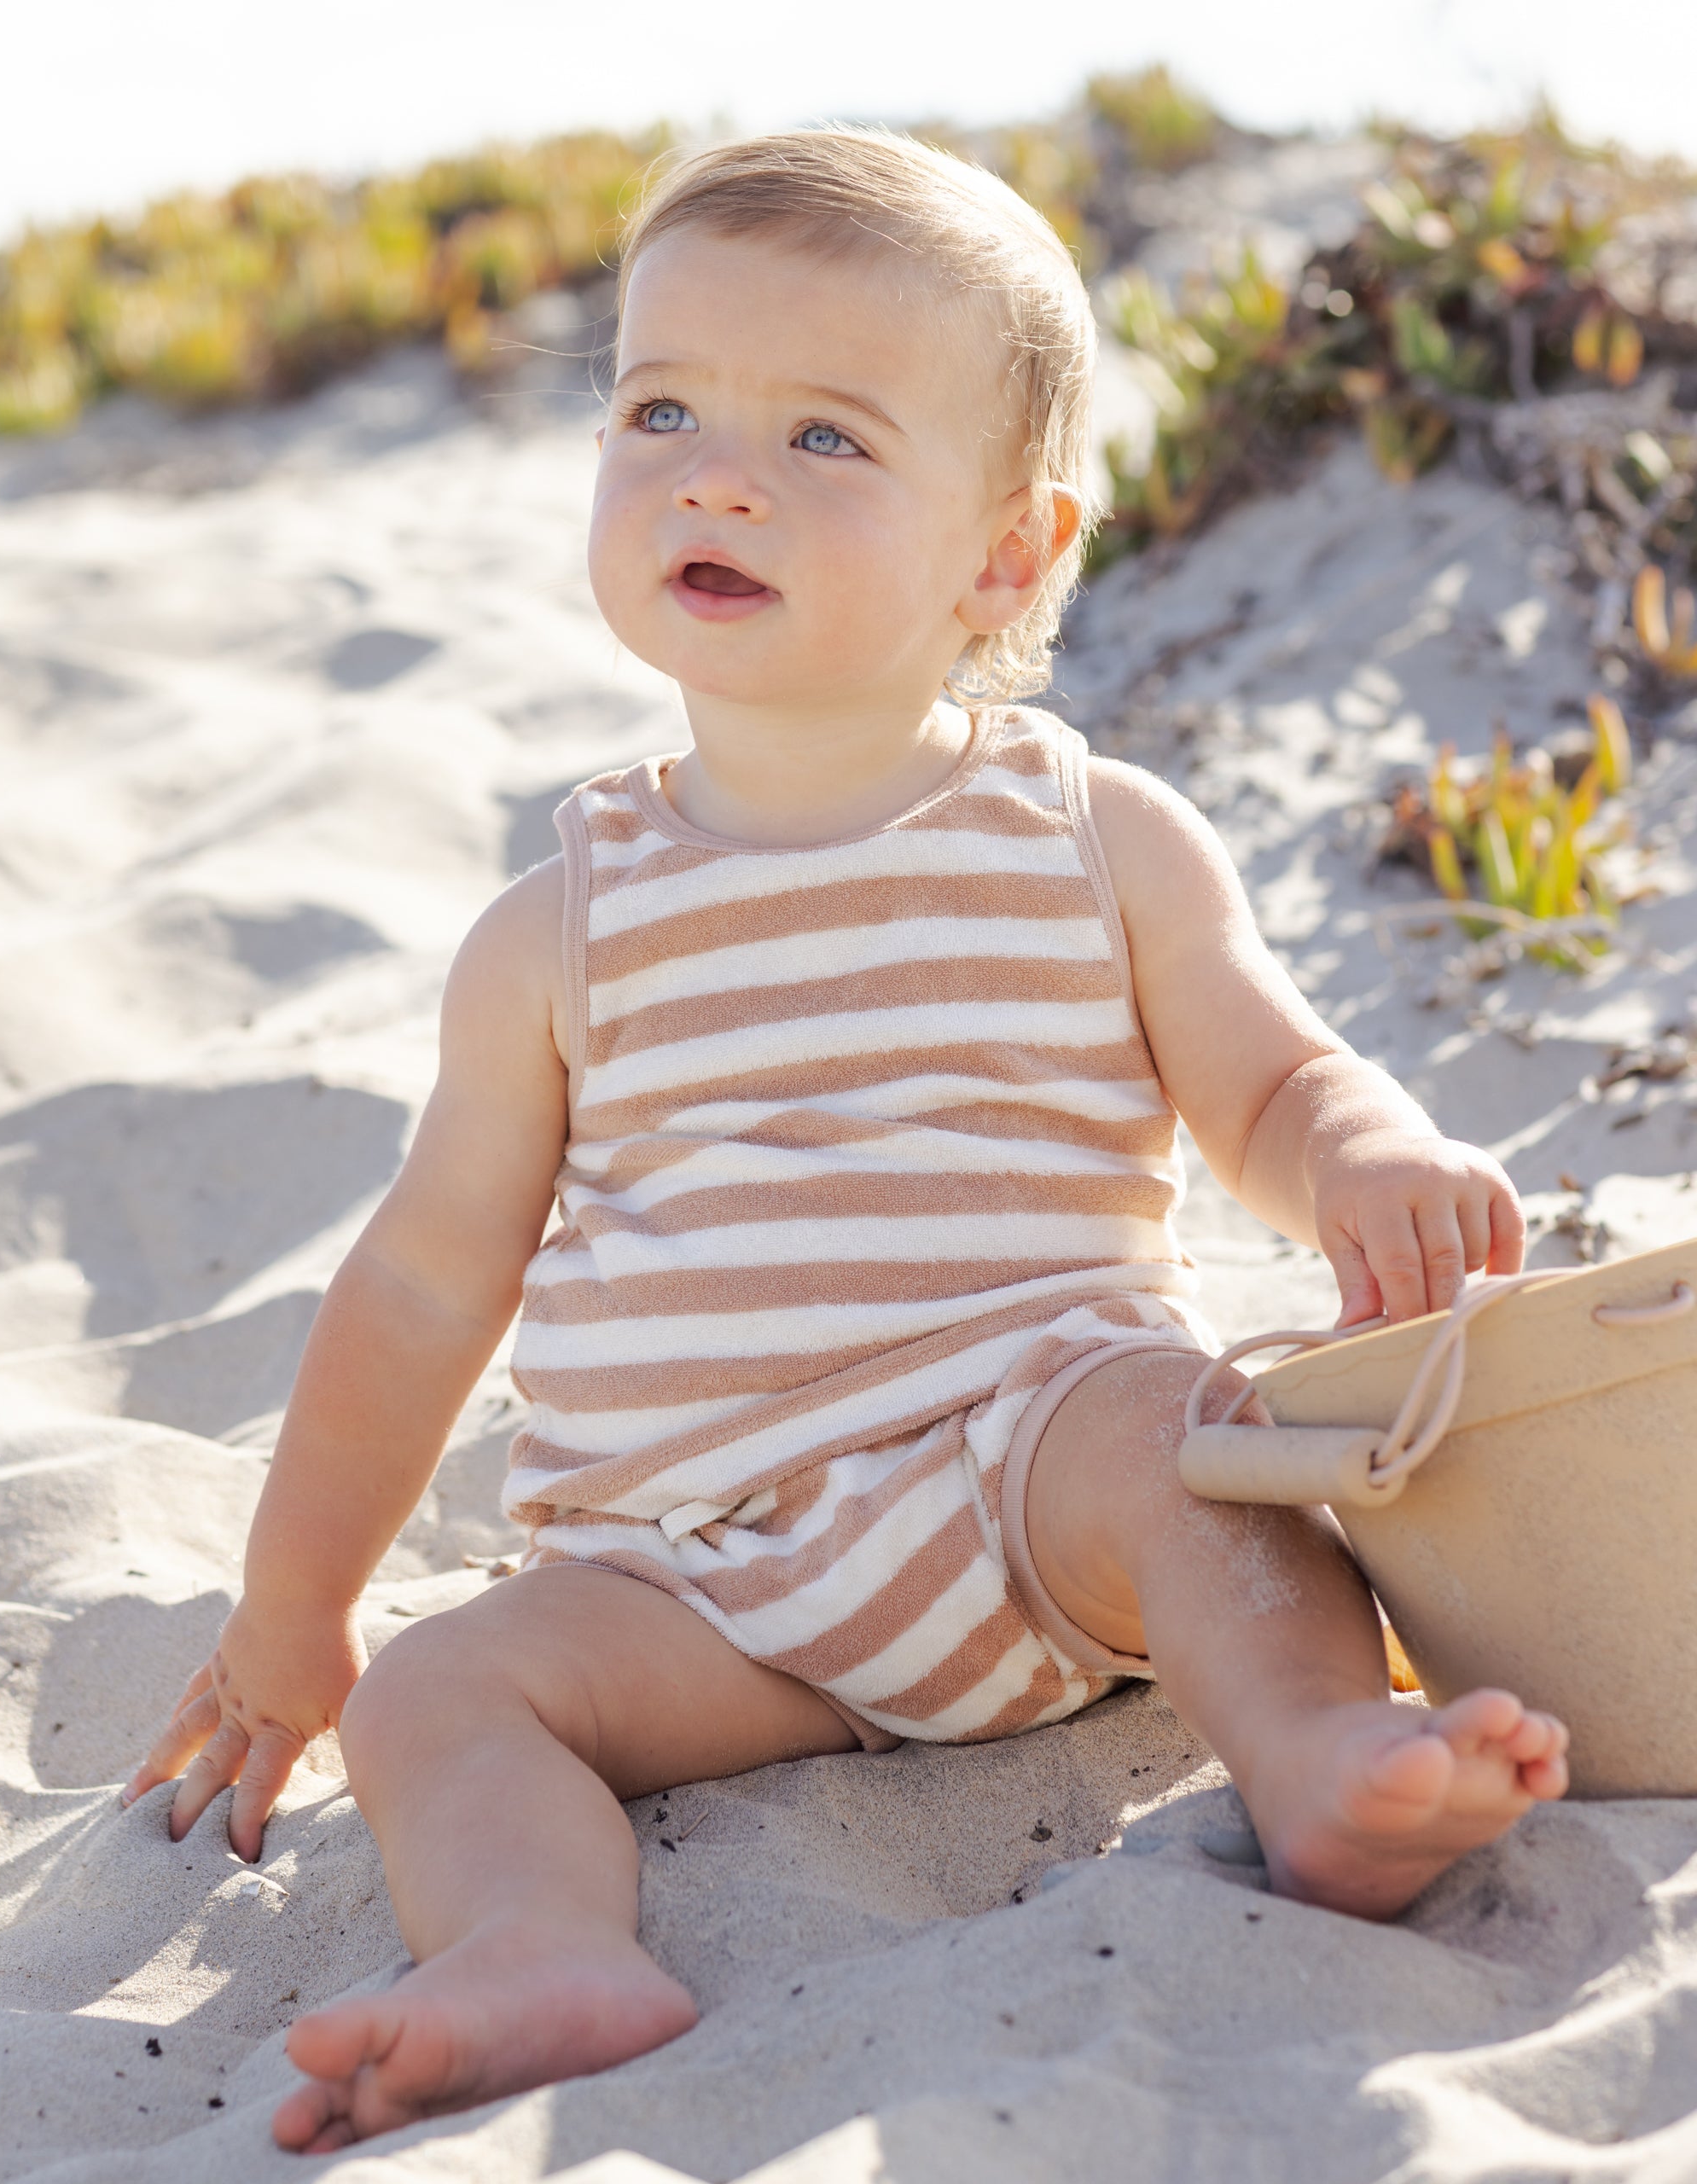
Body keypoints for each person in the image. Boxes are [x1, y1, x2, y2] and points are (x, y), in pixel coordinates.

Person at [123, 129, 1567, 2154]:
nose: (715, 473)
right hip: (690, 1577)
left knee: (1191, 1437)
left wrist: (1367, 1155)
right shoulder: (558, 928)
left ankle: (1324, 1759)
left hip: (1021, 1478)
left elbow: (1264, 1079)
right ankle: (539, 1943)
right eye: (662, 408)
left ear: (1003, 553)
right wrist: (297, 1611)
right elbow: (424, 1280)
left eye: (824, 436)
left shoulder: (1094, 836)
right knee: (441, 1692)